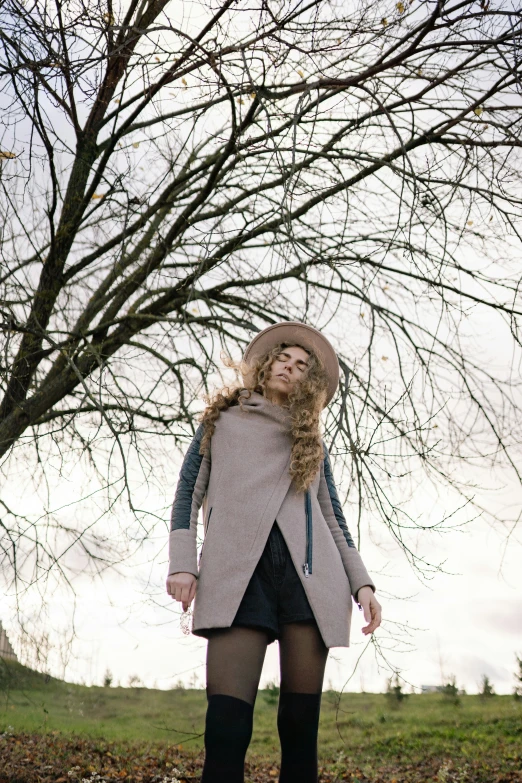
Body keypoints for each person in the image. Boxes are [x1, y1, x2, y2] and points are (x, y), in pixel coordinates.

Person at [166, 321, 381, 783]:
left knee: (300, 729)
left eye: (303, 366)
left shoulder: (310, 443)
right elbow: (187, 493)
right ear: (265, 366)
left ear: (309, 384)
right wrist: (183, 564)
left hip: (309, 579)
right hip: (238, 578)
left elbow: (333, 518)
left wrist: (362, 584)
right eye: (284, 358)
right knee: (225, 727)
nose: (290, 367)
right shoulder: (220, 421)